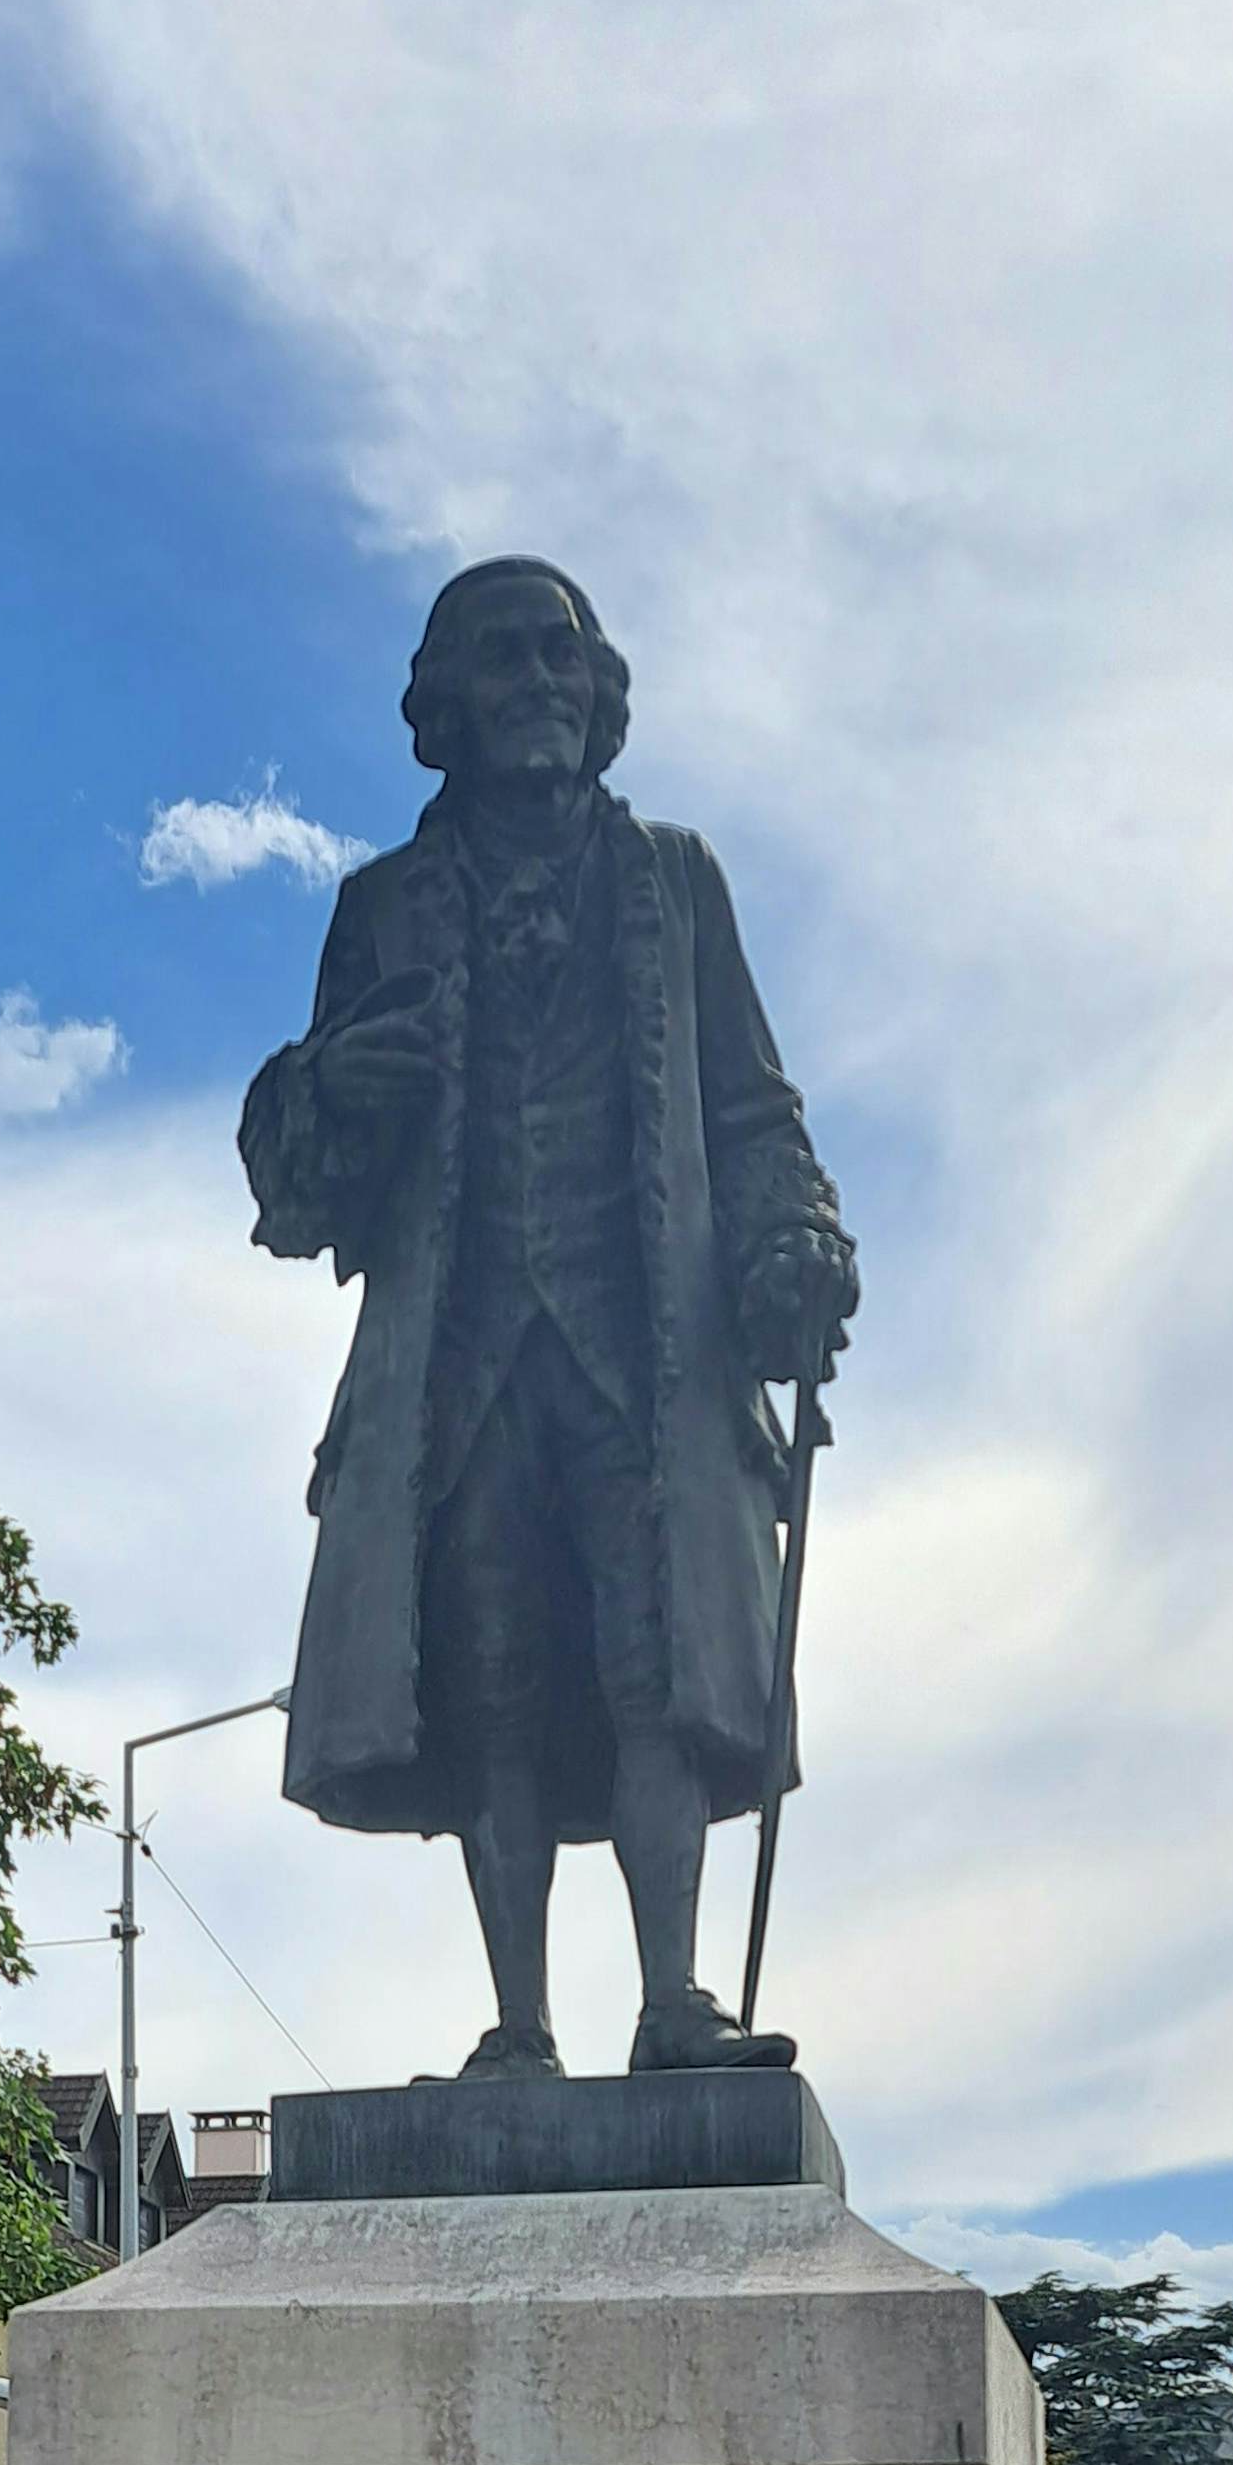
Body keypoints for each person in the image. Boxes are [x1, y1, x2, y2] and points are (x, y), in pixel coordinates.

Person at [240, 556, 859, 2079]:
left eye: (561, 658)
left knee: (656, 1669)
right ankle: (518, 2026)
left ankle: (672, 2005)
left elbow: (754, 1109)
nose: (539, 685)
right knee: (493, 1676)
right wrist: (329, 1093)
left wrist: (795, 1241)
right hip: (456, 1362)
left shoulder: (674, 882)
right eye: (503, 661)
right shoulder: (380, 909)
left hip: (647, 1348)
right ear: (442, 709)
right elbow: (294, 1176)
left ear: (601, 694)